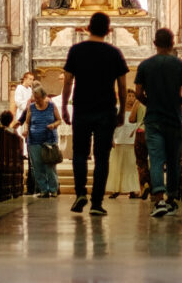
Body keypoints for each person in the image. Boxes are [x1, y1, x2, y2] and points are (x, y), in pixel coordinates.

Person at [61, 11, 129, 216]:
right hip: (106, 110)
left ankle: (80, 193)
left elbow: (67, 81)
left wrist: (64, 106)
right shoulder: (114, 53)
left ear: (88, 28)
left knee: (80, 154)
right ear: (108, 31)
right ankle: (97, 203)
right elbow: (123, 86)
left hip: (82, 108)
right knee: (102, 157)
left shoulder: (76, 50)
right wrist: (121, 111)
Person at [134, 27, 182, 217]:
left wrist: (149, 102)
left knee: (157, 159)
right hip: (174, 118)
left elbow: (137, 92)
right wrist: (177, 103)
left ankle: (158, 198)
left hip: (153, 119)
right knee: (173, 160)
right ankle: (172, 200)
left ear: (154, 43)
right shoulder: (180, 65)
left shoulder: (145, 65)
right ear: (172, 43)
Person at [21, 83, 62, 198]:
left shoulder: (51, 106)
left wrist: (54, 125)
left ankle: (53, 189)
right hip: (34, 140)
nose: (37, 100)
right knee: (37, 167)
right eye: (35, 98)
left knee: (50, 166)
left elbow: (59, 120)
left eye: (39, 98)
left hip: (49, 139)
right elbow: (27, 122)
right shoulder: (32, 107)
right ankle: (44, 190)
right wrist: (26, 131)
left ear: (44, 97)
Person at [105, 88, 142, 198]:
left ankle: (132, 189)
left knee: (131, 167)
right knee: (117, 167)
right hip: (119, 141)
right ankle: (116, 189)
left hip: (132, 142)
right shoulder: (118, 110)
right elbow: (111, 126)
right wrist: (111, 139)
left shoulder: (137, 111)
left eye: (133, 96)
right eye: (129, 96)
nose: (131, 99)